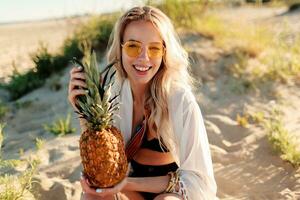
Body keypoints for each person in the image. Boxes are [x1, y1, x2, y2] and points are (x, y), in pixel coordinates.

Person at [68, 5, 217, 200]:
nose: (144, 57)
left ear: (164, 53)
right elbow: (104, 157)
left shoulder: (180, 100)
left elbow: (200, 180)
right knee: (91, 197)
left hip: (173, 195)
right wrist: (81, 108)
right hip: (131, 194)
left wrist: (127, 183)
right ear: (120, 50)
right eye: (133, 46)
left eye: (154, 49)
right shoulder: (115, 96)